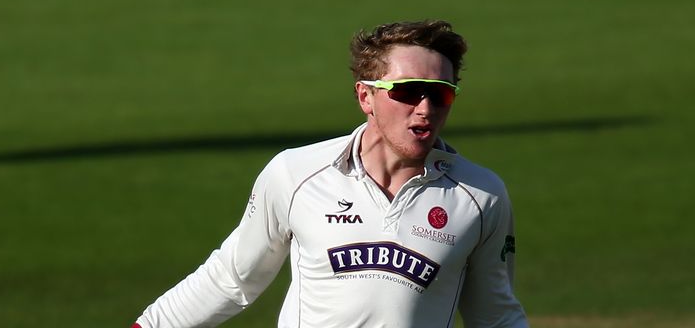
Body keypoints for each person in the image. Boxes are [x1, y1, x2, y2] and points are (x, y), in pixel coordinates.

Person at [133, 20, 528, 327]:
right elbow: (232, 279)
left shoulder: (480, 196)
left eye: (440, 93)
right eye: (407, 92)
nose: (425, 109)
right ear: (365, 96)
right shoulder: (296, 175)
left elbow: (495, 316)